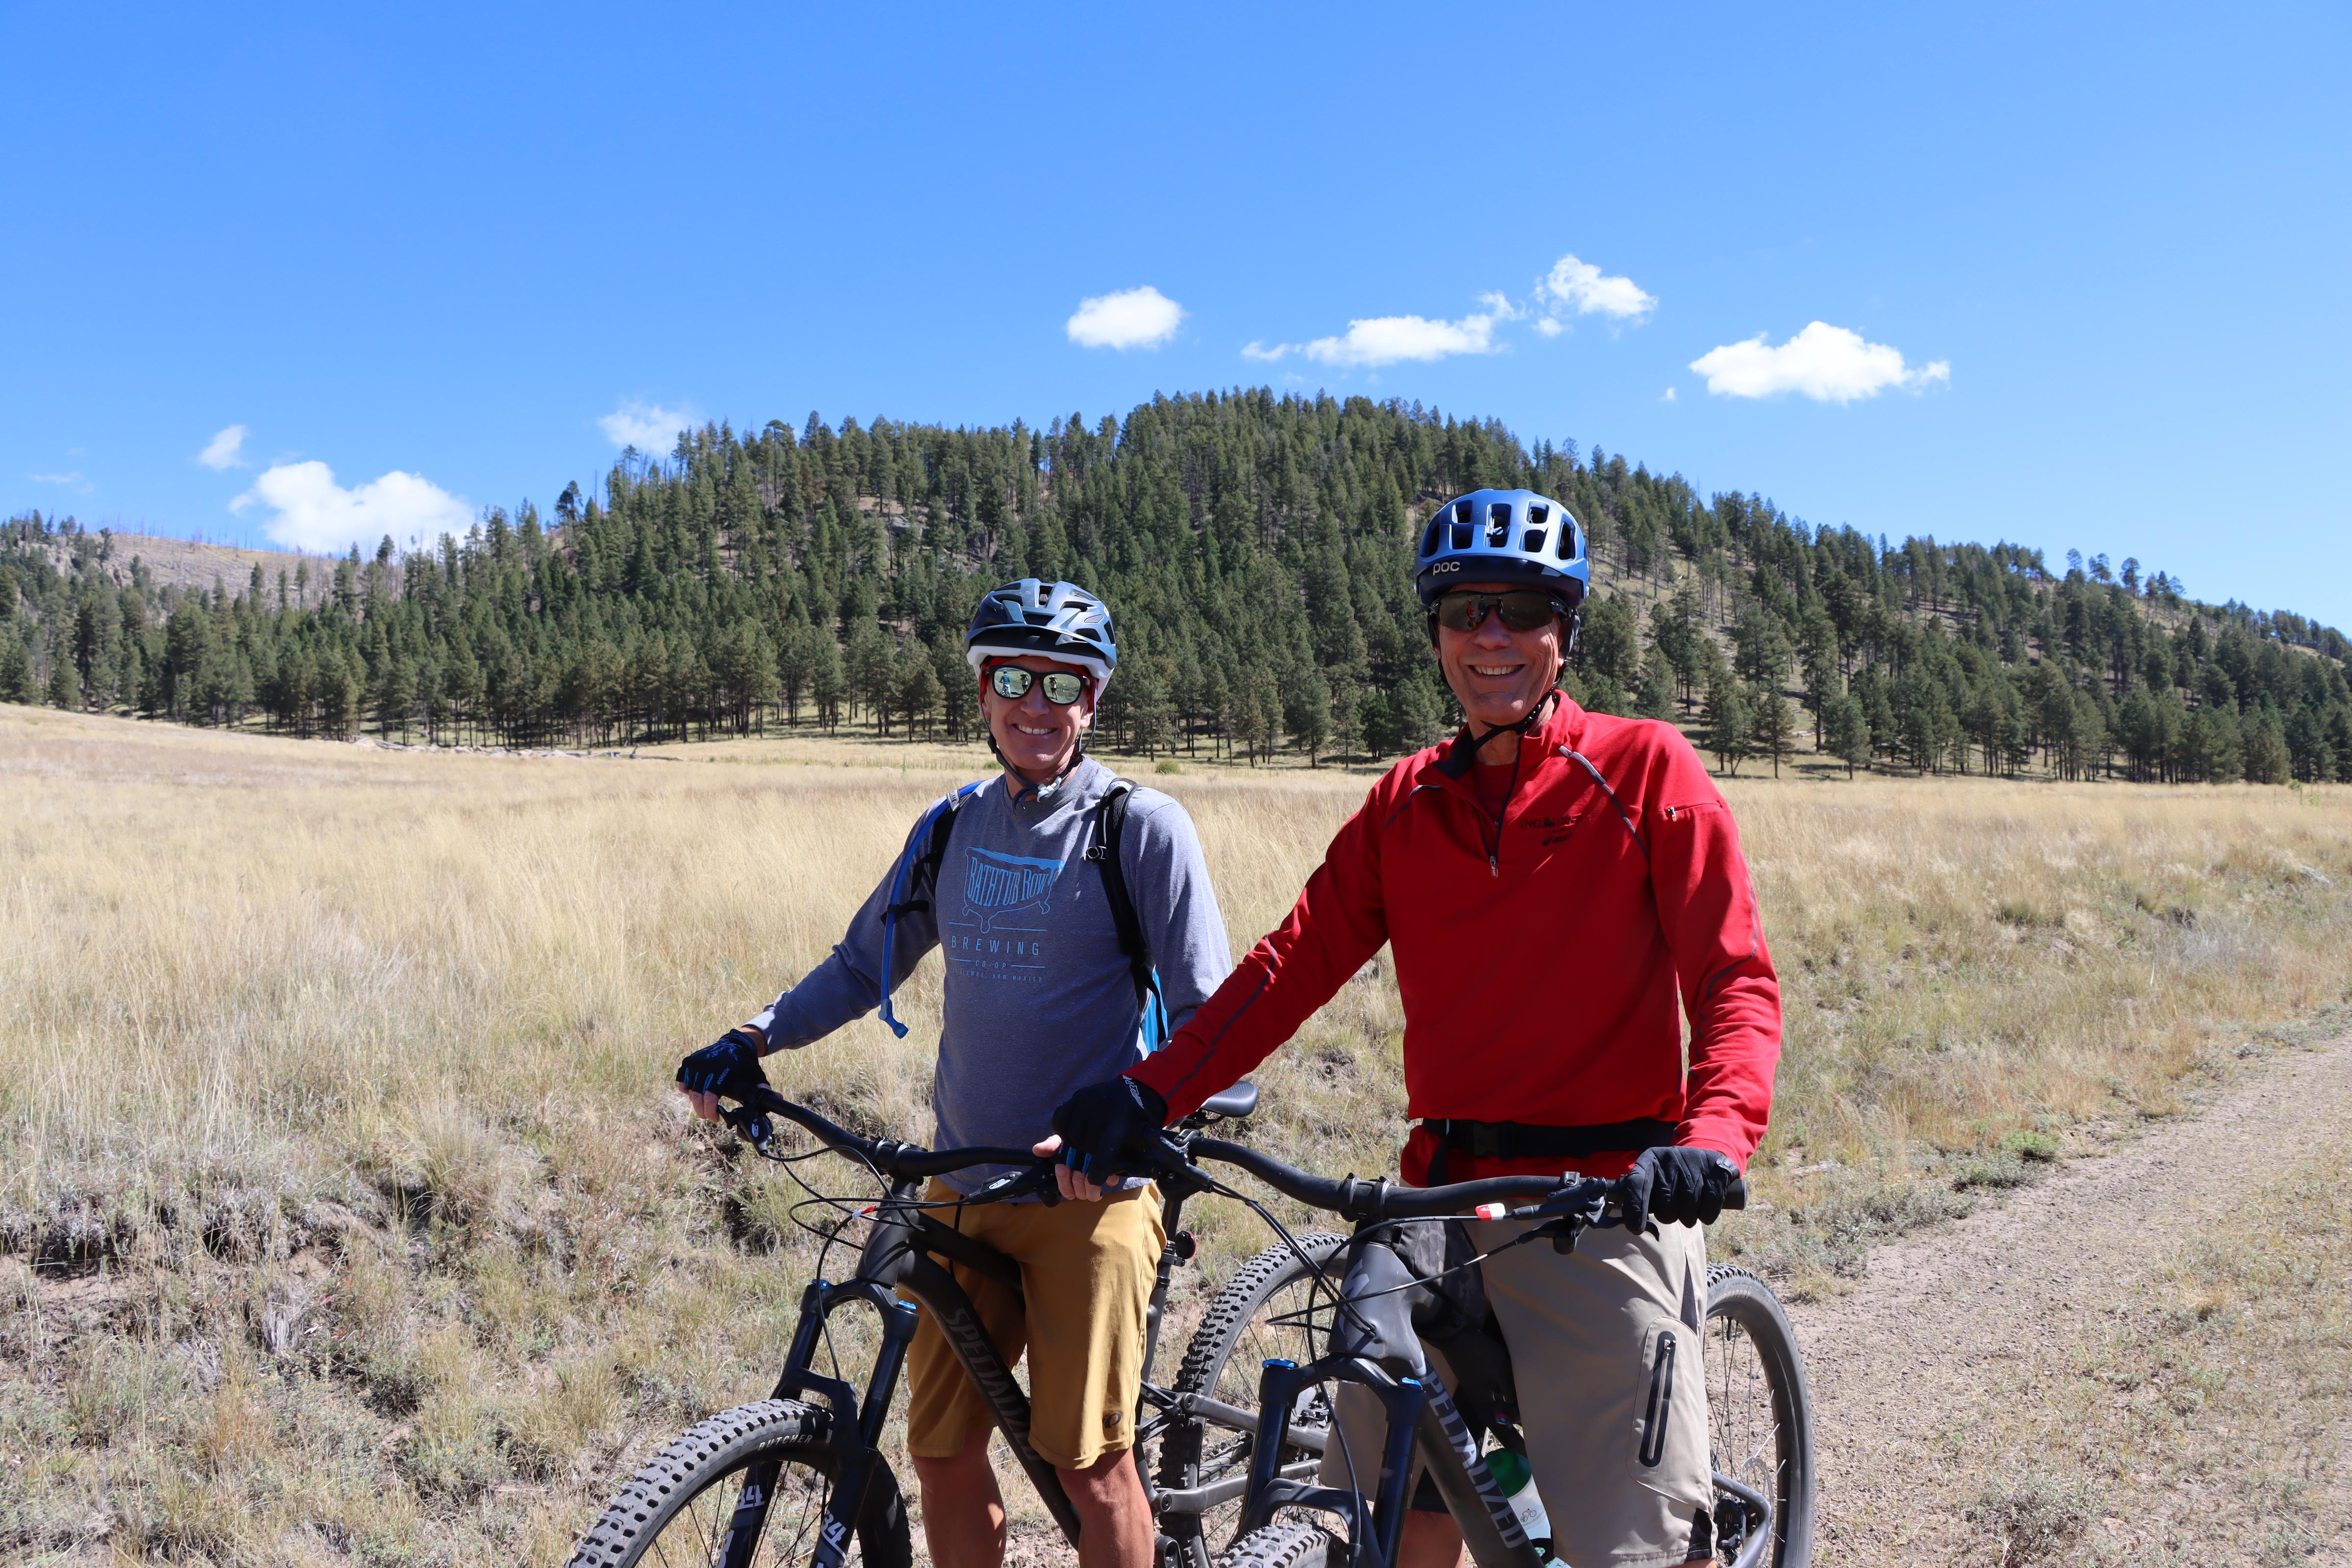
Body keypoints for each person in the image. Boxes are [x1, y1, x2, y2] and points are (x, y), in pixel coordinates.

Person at [1052, 490, 1781, 1568]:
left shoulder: (1644, 770)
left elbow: (1735, 980)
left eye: (1522, 609)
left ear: (1563, 632)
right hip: (1436, 1190)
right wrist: (1151, 1090)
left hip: (1603, 1194)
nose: (1492, 635)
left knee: (1634, 1550)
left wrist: (1713, 1139)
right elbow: (1287, 966)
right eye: (1464, 609)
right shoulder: (1406, 803)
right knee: (1381, 1512)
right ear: (1437, 631)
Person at [677, 579, 1234, 1568]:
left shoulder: (1139, 829)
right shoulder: (951, 828)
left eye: (1062, 681)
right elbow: (862, 965)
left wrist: (1148, 1121)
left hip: (1091, 1193)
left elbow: (1210, 1022)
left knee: (1089, 1465)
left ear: (1093, 700)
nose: (1036, 702)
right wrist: (752, 1038)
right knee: (938, 1449)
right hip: (963, 1181)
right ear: (982, 694)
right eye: (1012, 677)